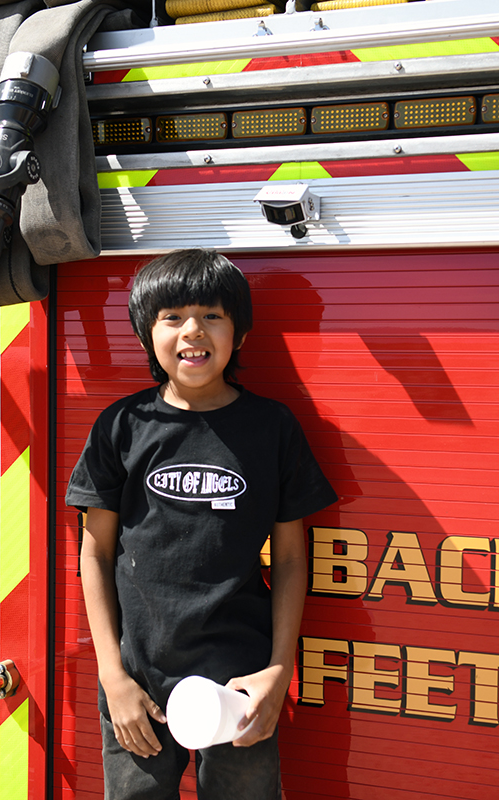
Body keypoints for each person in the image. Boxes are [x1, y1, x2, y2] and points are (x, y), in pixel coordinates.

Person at [66, 249, 337, 799]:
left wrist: (278, 670)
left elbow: (289, 558)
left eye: (212, 315)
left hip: (241, 680)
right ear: (147, 334)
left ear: (238, 334)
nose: (193, 330)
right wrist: (113, 678)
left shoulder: (272, 427)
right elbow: (93, 554)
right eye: (172, 317)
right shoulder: (121, 427)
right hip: (137, 679)